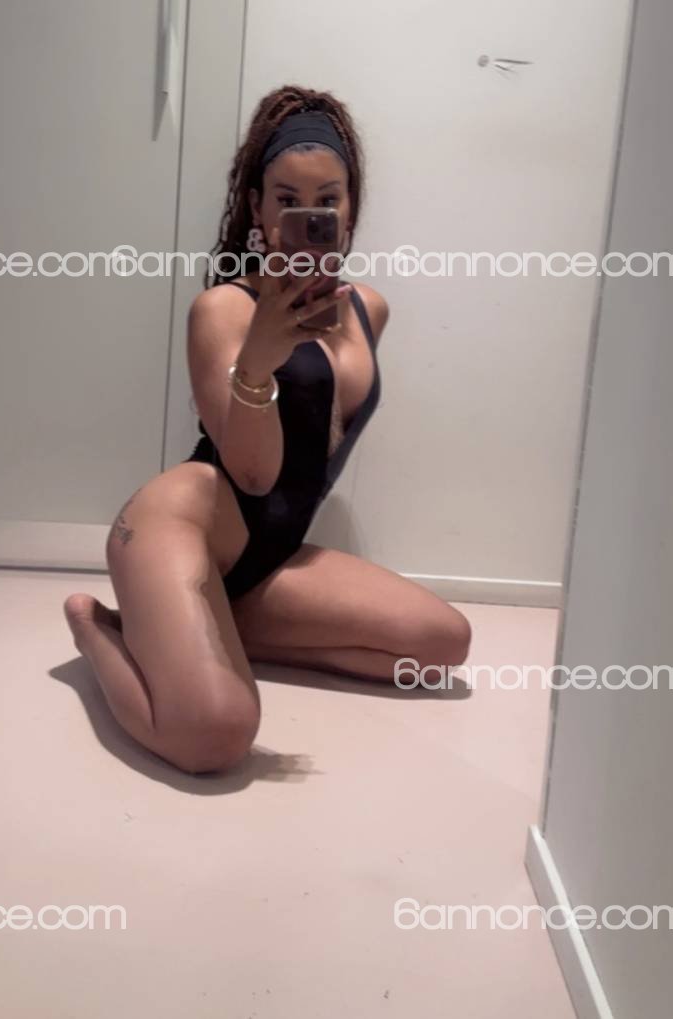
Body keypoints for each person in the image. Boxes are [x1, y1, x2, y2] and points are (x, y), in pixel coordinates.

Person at [64, 85, 471, 773]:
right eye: (287, 198)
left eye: (327, 198)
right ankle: (99, 626)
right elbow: (253, 475)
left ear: (350, 207)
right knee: (214, 735)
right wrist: (258, 358)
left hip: (269, 559)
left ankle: (209, 629)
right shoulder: (223, 309)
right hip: (182, 526)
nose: (308, 215)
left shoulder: (369, 310)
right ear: (257, 208)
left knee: (439, 648)